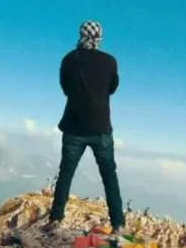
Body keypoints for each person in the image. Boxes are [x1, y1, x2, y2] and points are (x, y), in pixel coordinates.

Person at [44, 20, 125, 235]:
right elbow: (113, 88)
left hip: (74, 126)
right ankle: (118, 224)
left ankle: (55, 219)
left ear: (80, 34)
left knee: (66, 173)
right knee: (109, 175)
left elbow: (66, 88)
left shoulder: (69, 59)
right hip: (101, 128)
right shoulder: (110, 61)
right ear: (99, 37)